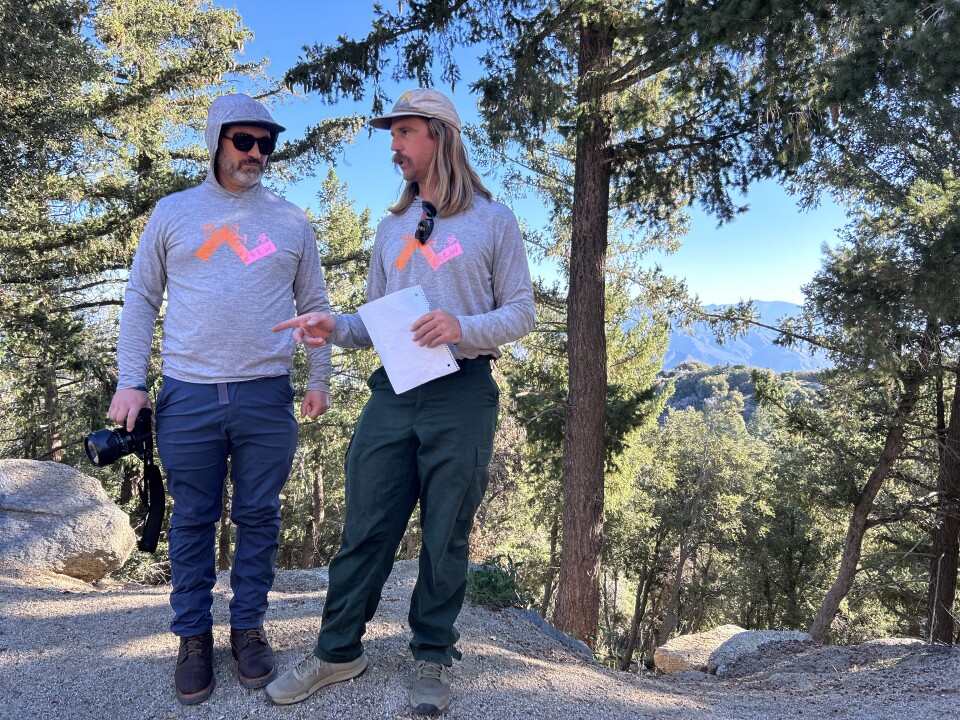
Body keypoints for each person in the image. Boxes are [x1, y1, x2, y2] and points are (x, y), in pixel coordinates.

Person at [267, 88, 536, 715]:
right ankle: (337, 652)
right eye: (392, 134)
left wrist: (461, 327)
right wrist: (334, 326)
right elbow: (374, 322)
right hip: (392, 393)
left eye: (405, 133)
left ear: (439, 136)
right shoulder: (390, 228)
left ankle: (432, 657)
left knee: (446, 532)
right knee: (365, 527)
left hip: (463, 394)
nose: (394, 146)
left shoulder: (494, 222)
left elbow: (521, 312)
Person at [108, 93, 332, 705]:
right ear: (216, 140)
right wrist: (132, 379)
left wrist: (319, 379)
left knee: (259, 516)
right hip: (188, 393)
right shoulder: (174, 213)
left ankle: (249, 631)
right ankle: (192, 639)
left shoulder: (290, 220)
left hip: (266, 394)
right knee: (194, 518)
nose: (256, 153)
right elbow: (140, 298)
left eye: (267, 143)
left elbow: (314, 306)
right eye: (244, 141)